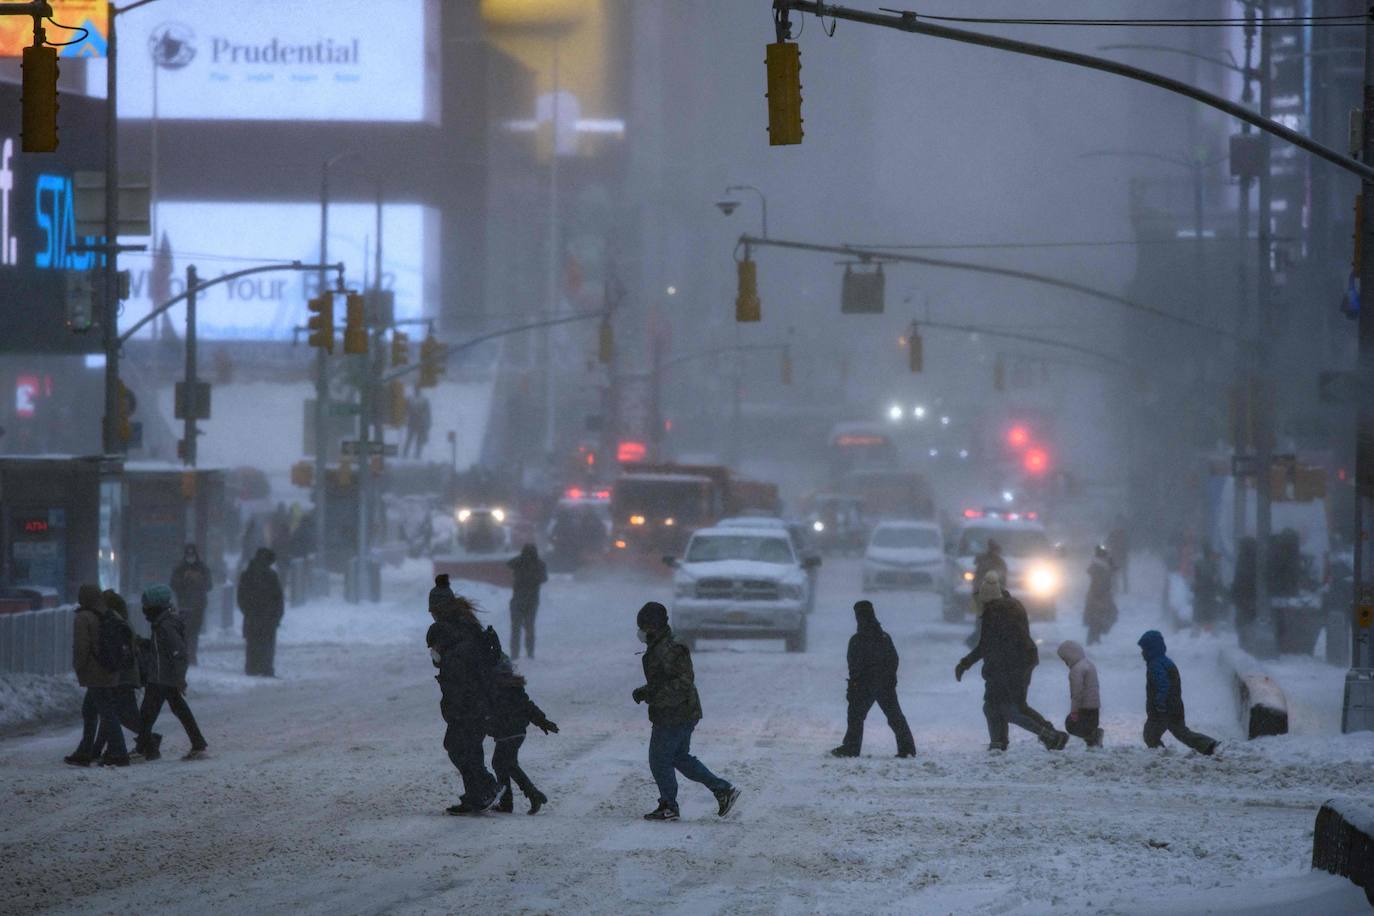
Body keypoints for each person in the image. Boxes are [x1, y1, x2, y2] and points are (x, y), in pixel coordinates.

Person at [633, 601, 740, 821]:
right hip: (678, 712)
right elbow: (664, 680)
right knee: (680, 758)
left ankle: (669, 805)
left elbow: (683, 682)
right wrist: (646, 691)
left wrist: (654, 696)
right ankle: (722, 789)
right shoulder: (659, 646)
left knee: (659, 759)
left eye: (643, 626)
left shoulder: (670, 648)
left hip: (675, 714)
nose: (640, 632)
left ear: (652, 626)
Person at [955, 573, 1067, 752]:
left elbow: (987, 645)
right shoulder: (1012, 605)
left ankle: (1047, 736)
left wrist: (965, 663)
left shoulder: (995, 613)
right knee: (1007, 706)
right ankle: (1002, 742)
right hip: (1021, 662)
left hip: (1008, 666)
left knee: (1005, 708)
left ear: (987, 599)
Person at [427, 592, 501, 814]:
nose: (432, 651)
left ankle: (484, 789)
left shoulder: (456, 650)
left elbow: (460, 685)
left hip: (471, 707)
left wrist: (457, 711)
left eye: (432, 646)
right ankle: (480, 791)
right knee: (465, 747)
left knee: (461, 747)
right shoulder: (463, 630)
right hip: (478, 704)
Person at [831, 600, 916, 758]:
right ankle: (907, 748)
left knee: (856, 715)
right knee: (894, 716)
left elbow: (854, 666)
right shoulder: (884, 637)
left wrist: (854, 686)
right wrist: (890, 679)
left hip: (865, 685)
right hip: (883, 684)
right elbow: (893, 660)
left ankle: (851, 747)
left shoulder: (857, 640)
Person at [135, 584, 209, 761]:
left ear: (155, 607)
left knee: (147, 714)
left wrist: (180, 678)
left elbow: (178, 652)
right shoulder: (162, 623)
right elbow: (162, 650)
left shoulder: (165, 625)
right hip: (163, 677)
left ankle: (144, 748)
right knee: (174, 710)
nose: (144, 612)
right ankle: (197, 743)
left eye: (146, 608)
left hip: (163, 678)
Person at [64, 585, 132, 767]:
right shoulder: (110, 614)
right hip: (111, 669)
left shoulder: (83, 617)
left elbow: (81, 647)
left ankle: (118, 752)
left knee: (107, 712)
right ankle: (85, 750)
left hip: (95, 672)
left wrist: (78, 667)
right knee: (90, 710)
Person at [488, 656, 559, 814]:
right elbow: (528, 707)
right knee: (506, 764)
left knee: (502, 764)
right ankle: (523, 798)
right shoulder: (514, 687)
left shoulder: (497, 689)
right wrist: (542, 721)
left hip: (507, 732)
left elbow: (522, 707)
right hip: (516, 732)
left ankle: (525, 797)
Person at [1136, 630, 1217, 755]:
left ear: (1150, 649)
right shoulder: (1165, 661)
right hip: (1175, 706)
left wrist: (1159, 703)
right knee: (1181, 732)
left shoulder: (1156, 664)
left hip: (1162, 709)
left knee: (1150, 734)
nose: (1142, 653)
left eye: (1144, 649)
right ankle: (1207, 744)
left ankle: (1160, 754)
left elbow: (1163, 685)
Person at [90, 590, 146, 759]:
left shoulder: (115, 624)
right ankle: (99, 749)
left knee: (119, 715)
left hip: (122, 676)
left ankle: (149, 740)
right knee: (113, 713)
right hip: (125, 676)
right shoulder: (122, 622)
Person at [238, 547, 284, 677]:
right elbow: (278, 598)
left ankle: (253, 668)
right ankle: (265, 668)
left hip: (255, 616)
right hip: (266, 616)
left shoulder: (248, 574)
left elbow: (241, 597)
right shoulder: (270, 575)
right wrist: (277, 615)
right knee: (266, 644)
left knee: (253, 643)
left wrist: (248, 611)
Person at [170, 543, 214, 665]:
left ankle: (192, 655)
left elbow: (209, 585)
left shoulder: (202, 568)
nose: (190, 557)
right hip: (184, 604)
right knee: (185, 631)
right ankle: (186, 655)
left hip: (198, 605)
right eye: (188, 554)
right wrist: (185, 581)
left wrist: (198, 581)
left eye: (192, 554)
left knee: (194, 631)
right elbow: (173, 584)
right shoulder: (180, 568)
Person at [1056, 640, 1103, 747]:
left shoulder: (1076, 670)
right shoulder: (1089, 664)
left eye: (1064, 659)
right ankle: (1093, 738)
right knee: (1089, 726)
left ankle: (1094, 736)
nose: (1065, 662)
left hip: (1084, 707)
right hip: (1095, 706)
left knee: (1070, 725)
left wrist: (1074, 712)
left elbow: (1076, 694)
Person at [507, 543, 548, 660]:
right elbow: (544, 579)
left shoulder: (519, 563)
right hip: (532, 600)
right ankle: (530, 653)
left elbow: (509, 563)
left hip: (517, 600)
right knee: (529, 627)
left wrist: (522, 559)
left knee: (515, 628)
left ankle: (515, 654)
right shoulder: (540, 564)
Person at [1083, 545, 1118, 646]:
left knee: (1098, 619)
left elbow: (1113, 569)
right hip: (1099, 596)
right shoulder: (1099, 567)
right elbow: (1100, 583)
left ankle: (1094, 639)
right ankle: (1093, 640)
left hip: (1099, 596)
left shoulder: (1100, 566)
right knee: (1098, 618)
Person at [1192, 542, 1222, 629]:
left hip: (1201, 590)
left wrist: (1197, 586)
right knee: (1210, 611)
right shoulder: (1214, 564)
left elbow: (1196, 577)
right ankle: (1211, 629)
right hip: (1210, 590)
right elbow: (1216, 578)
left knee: (1200, 611)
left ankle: (1198, 630)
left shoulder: (1198, 563)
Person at [1232, 538, 1258, 628]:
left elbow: (1238, 577)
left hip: (1243, 595)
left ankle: (1246, 635)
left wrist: (1234, 593)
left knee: (1244, 618)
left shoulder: (1242, 558)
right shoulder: (1257, 556)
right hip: (1254, 594)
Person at [1107, 515, 1131, 594]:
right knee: (1117, 574)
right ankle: (1120, 589)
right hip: (1117, 555)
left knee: (1118, 573)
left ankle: (1122, 589)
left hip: (1119, 555)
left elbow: (1108, 543)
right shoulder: (1118, 533)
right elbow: (1108, 543)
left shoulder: (1119, 534)